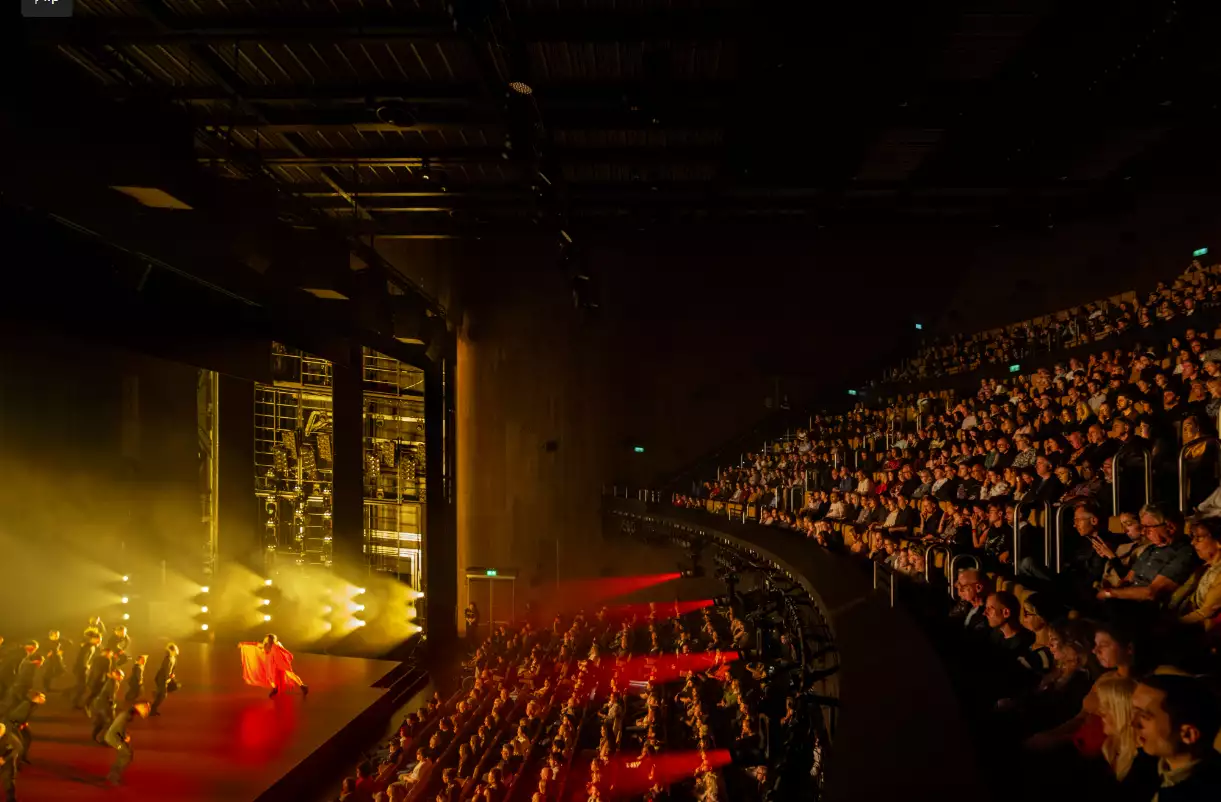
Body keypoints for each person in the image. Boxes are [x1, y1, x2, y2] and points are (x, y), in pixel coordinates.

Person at [1131, 674, 1221, 800]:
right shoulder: (1148, 766)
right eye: (1134, 712)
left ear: (1188, 734)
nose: (1133, 723)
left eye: (1145, 716)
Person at [239, 634, 309, 698]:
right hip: (271, 663)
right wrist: (244, 644)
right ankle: (275, 688)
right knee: (270, 676)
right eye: (266, 638)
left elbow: (282, 650)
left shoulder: (276, 645)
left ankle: (302, 686)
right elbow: (255, 644)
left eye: (268, 639)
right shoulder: (265, 645)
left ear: (271, 640)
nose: (266, 640)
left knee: (289, 673)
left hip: (279, 660)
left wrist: (287, 656)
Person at [104, 701, 151, 787]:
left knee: (125, 754)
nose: (146, 712)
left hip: (115, 736)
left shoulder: (129, 713)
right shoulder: (127, 715)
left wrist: (125, 734)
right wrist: (124, 737)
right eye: (145, 709)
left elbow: (121, 726)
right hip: (112, 738)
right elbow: (119, 727)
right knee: (127, 754)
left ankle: (113, 775)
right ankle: (113, 776)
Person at [70, 628, 101, 709]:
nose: (99, 641)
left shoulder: (90, 646)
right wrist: (86, 666)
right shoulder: (89, 647)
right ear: (92, 639)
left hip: (81, 668)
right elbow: (82, 659)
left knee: (82, 686)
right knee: (82, 687)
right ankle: (74, 702)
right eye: (98, 639)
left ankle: (74, 699)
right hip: (81, 669)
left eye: (100, 639)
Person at [90, 668, 123, 744]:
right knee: (110, 723)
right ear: (117, 675)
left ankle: (95, 736)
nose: (122, 677)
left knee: (101, 721)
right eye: (121, 676)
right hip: (104, 705)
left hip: (100, 704)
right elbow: (111, 695)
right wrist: (113, 705)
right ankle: (104, 739)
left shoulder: (111, 681)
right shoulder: (114, 682)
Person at [149, 643, 178, 716]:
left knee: (161, 694)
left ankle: (153, 708)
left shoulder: (173, 658)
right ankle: (152, 708)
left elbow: (172, 669)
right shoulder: (167, 659)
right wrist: (167, 678)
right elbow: (165, 670)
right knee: (163, 695)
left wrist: (172, 675)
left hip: (165, 678)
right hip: (162, 679)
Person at [0, 721, 21, 802]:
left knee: (8, 783)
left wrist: (5, 759)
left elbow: (18, 748)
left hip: (7, 764)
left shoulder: (10, 737)